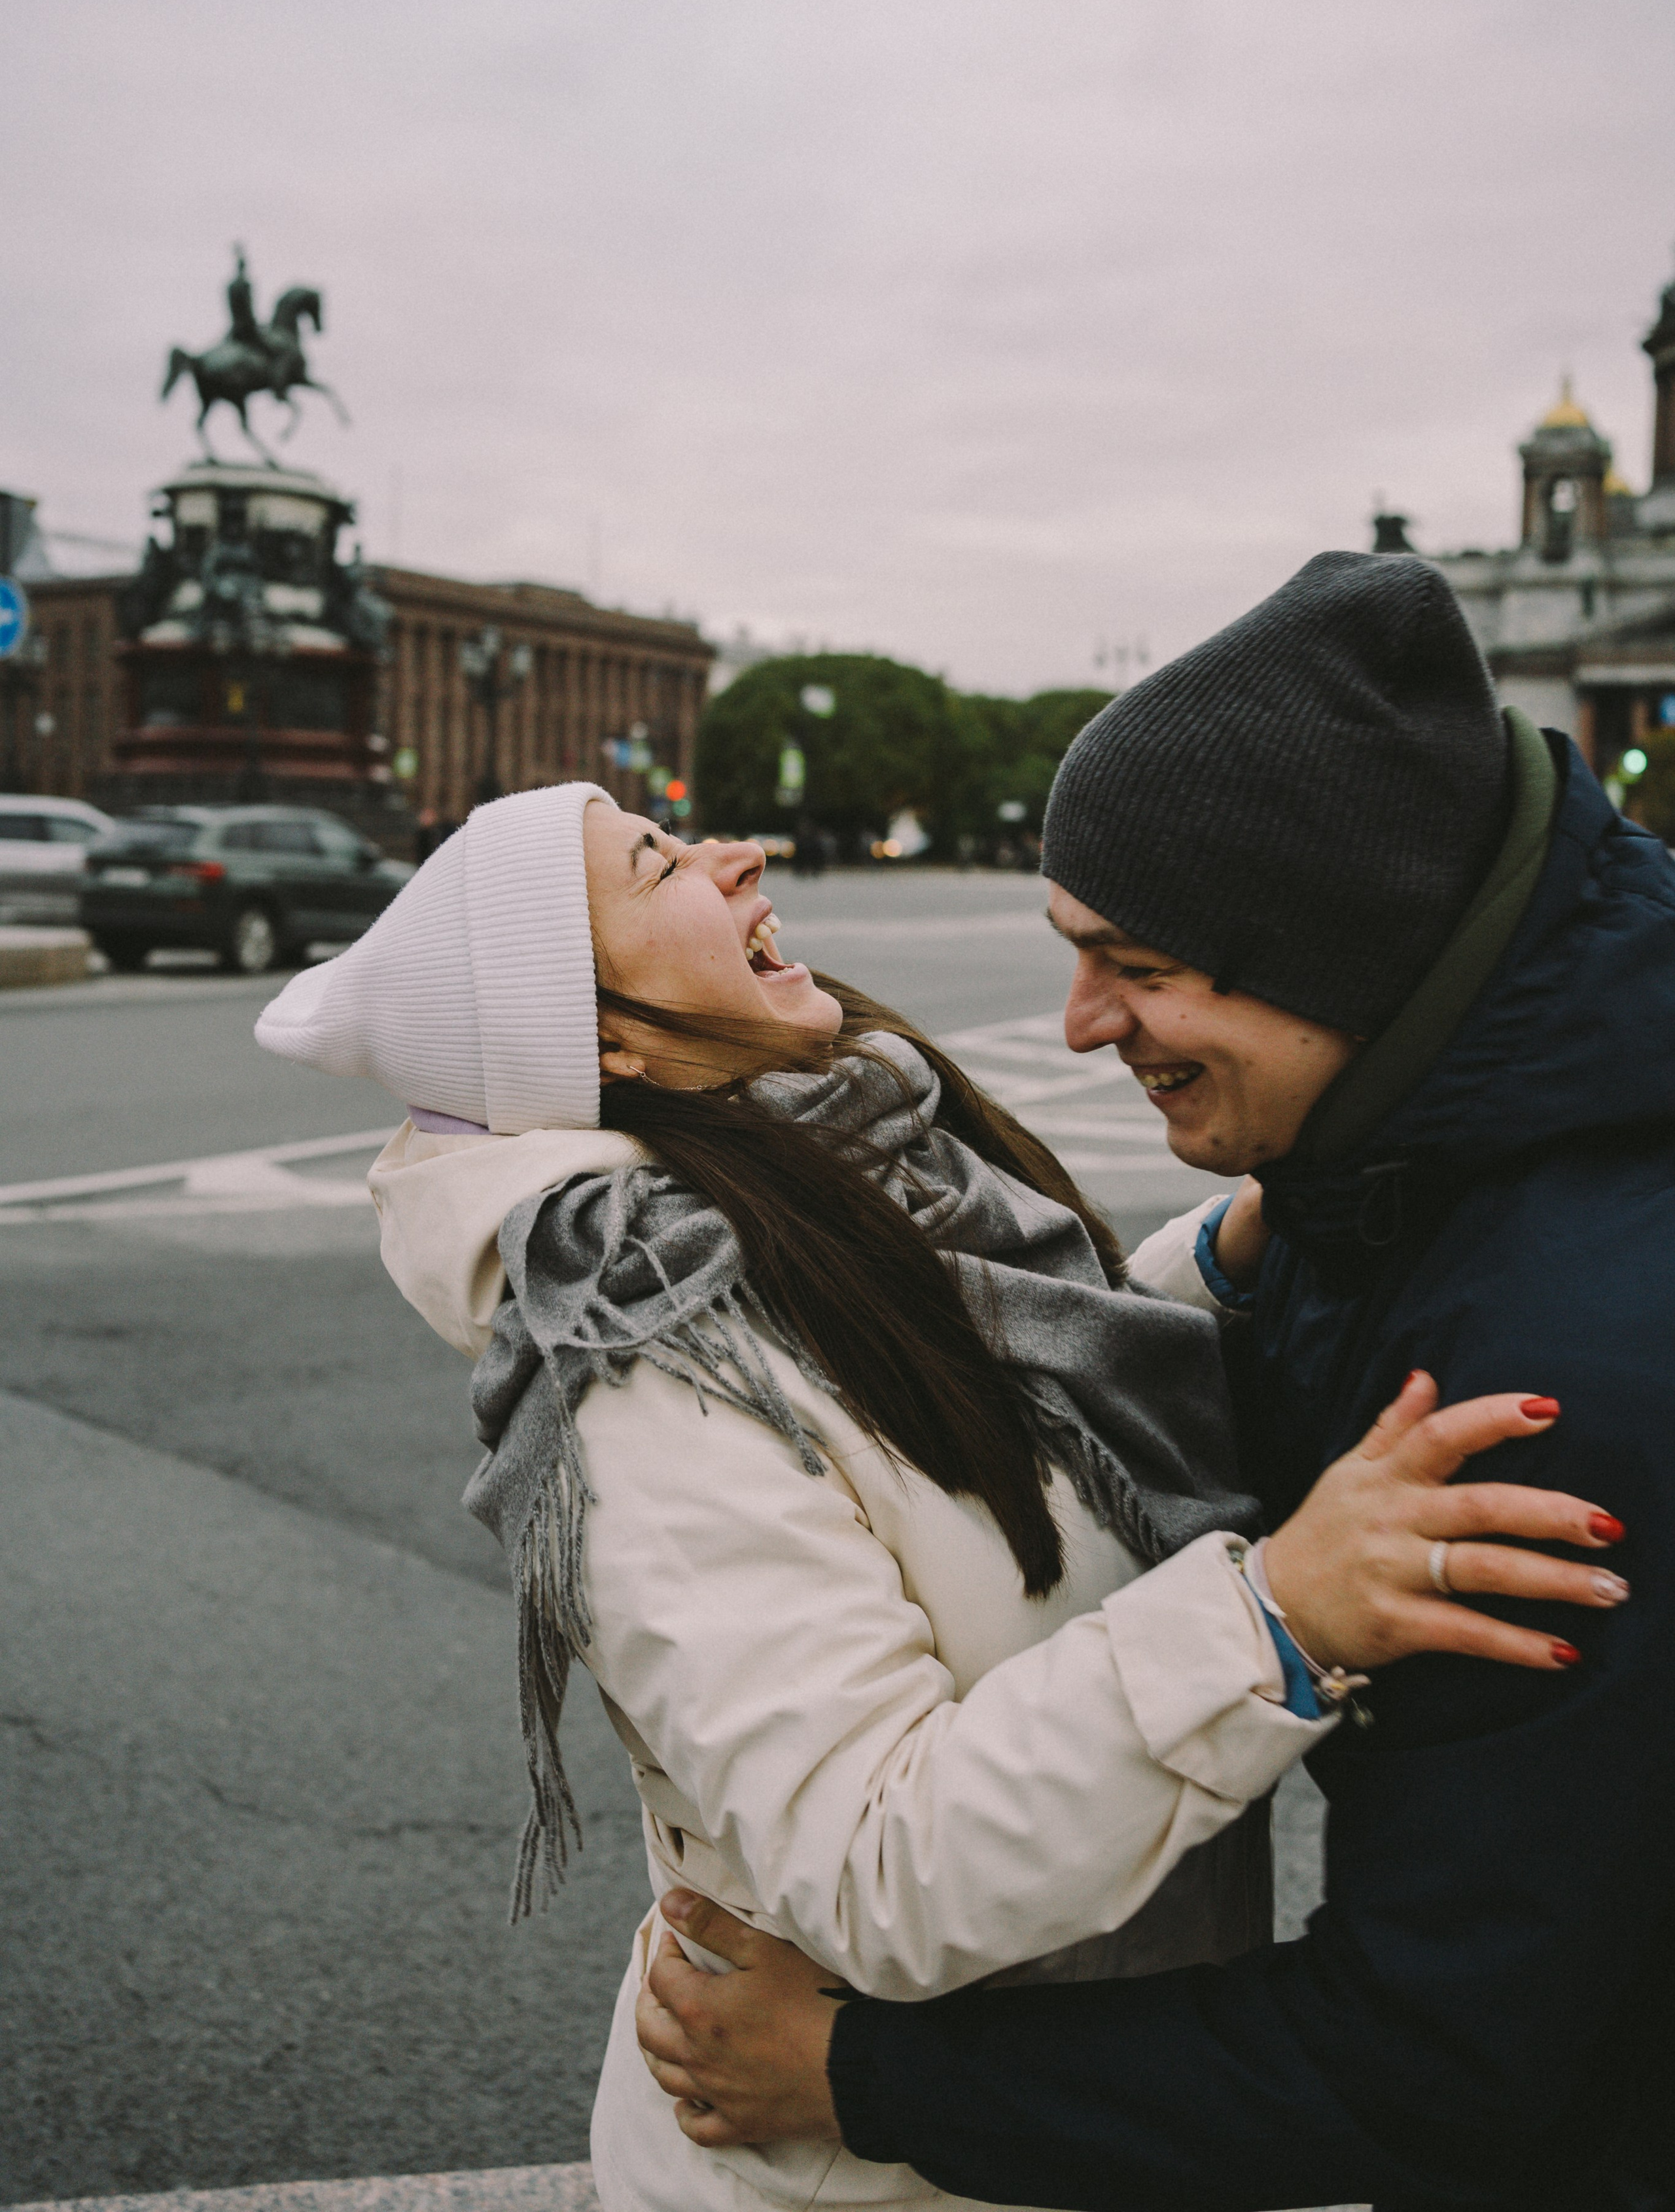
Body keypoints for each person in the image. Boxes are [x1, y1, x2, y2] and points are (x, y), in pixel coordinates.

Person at [253, 765, 1616, 2212]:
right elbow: (866, 1864)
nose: (735, 853)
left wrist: (1212, 1270)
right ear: (598, 1037)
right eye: (658, 868)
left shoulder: (832, 1187)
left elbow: (971, 1418)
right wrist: (1275, 1618)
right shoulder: (658, 1363)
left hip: (1030, 2128)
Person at [633, 553, 1673, 2212]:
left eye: (1135, 960)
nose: (1075, 1022)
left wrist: (855, 2074)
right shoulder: (1394, 1161)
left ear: (1334, 950)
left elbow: (1436, 2070)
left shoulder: (1557, 1370)